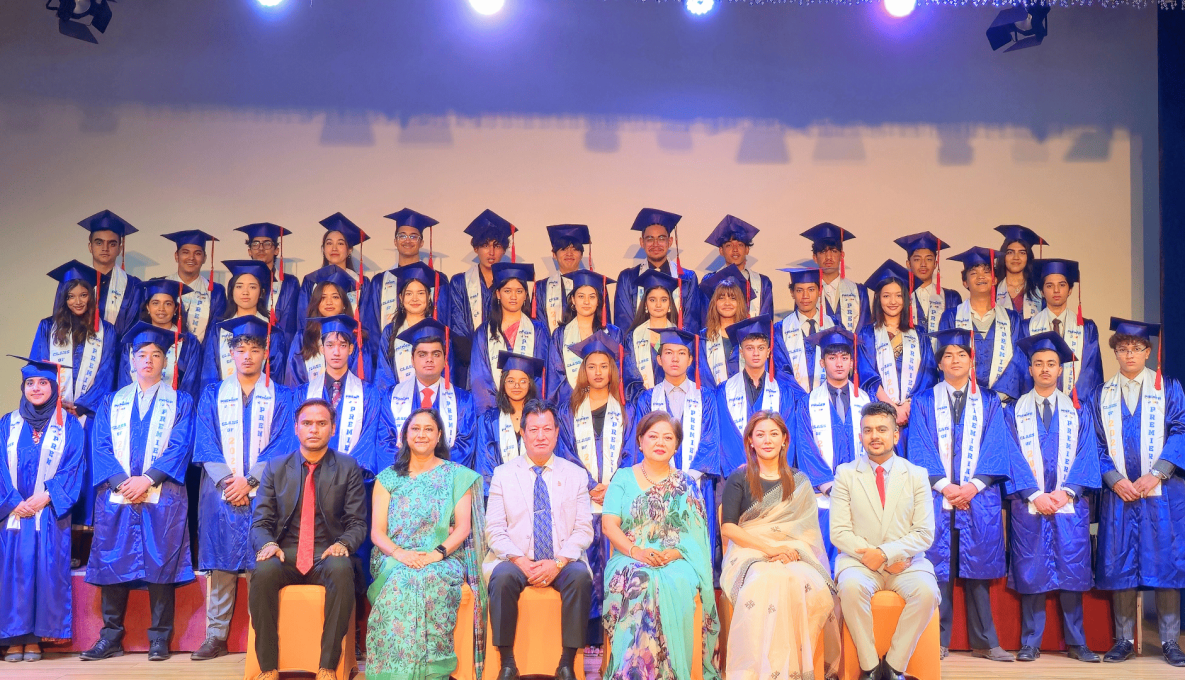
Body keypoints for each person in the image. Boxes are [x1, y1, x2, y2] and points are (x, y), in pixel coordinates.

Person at [906, 328, 1036, 661]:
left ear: (971, 360)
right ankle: (936, 640)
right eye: (947, 355)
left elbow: (997, 447)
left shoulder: (989, 401)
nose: (955, 360)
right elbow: (919, 446)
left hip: (979, 497)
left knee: (978, 571)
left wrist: (972, 486)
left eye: (961, 354)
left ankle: (987, 642)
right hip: (936, 496)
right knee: (939, 570)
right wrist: (945, 486)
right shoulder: (924, 401)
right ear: (939, 364)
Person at [82, 323, 195, 662]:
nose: (148, 360)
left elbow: (180, 445)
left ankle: (160, 638)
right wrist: (121, 481)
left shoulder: (181, 401)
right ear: (132, 359)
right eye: (142, 354)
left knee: (161, 561)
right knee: (113, 559)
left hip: (163, 493)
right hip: (117, 495)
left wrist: (147, 479)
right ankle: (110, 637)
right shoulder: (111, 401)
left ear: (166, 361)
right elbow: (100, 445)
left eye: (156, 355)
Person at [191, 316, 294, 661]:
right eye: (241, 349)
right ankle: (215, 636)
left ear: (265, 353)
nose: (247, 355)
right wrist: (228, 480)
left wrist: (249, 480)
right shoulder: (212, 394)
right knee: (220, 564)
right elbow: (205, 440)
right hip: (219, 492)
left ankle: (260, 635)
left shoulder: (282, 396)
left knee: (260, 562)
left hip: (264, 491)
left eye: (254, 349)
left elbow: (284, 443)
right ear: (231, 353)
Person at [248, 398, 368, 680]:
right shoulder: (276, 467)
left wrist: (343, 544)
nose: (314, 429)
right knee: (263, 571)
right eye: (307, 423)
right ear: (296, 428)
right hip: (285, 552)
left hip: (327, 552)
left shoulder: (347, 466)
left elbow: (357, 522)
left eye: (321, 423)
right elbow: (261, 521)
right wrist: (268, 544)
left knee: (341, 569)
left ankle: (327, 666)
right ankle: (268, 667)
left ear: (333, 428)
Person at [1091, 318, 1185, 667]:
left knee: (1166, 564)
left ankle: (1170, 641)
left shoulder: (1169, 388)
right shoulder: (1101, 394)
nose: (1129, 354)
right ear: (1115, 353)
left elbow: (1181, 429)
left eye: (1136, 348)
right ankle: (1124, 640)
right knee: (1121, 563)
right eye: (1122, 348)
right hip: (1120, 493)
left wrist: (1158, 473)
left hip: (1162, 492)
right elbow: (1094, 443)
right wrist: (1115, 479)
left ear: (1148, 352)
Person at [366, 408, 486, 680]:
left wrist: (435, 554)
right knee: (404, 578)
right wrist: (401, 554)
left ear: (439, 435)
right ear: (405, 435)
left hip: (443, 558)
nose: (422, 434)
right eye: (415, 429)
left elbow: (463, 528)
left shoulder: (457, 475)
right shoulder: (387, 478)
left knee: (424, 577)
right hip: (393, 557)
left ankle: (430, 672)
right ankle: (394, 672)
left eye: (429, 429)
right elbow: (377, 533)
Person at [1004, 332, 1102, 663]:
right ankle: (1030, 641)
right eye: (1038, 363)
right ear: (1030, 369)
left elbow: (1088, 453)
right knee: (1031, 570)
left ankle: (1077, 642)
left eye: (1051, 363)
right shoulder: (1013, 411)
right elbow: (1010, 455)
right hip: (1028, 504)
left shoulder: (1079, 410)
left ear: (1061, 370)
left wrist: (1067, 491)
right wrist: (1034, 494)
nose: (1045, 369)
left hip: (1069, 503)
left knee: (1073, 570)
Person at [601, 410, 720, 680]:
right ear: (640, 441)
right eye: (653, 436)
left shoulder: (686, 484)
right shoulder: (623, 477)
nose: (660, 442)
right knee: (642, 579)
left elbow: (696, 537)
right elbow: (609, 525)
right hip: (629, 556)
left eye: (668, 438)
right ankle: (632, 672)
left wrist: (672, 553)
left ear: (676, 445)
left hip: (676, 559)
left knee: (670, 580)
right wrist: (638, 552)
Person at [720, 411, 840, 679]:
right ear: (750, 441)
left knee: (803, 582)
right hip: (748, 551)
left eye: (774, 434)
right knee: (766, 579)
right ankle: (759, 671)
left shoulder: (799, 481)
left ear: (785, 439)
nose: (767, 440)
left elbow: (807, 532)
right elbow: (729, 528)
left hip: (792, 552)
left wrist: (791, 551)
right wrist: (770, 549)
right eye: (760, 434)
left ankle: (793, 670)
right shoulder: (738, 478)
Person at [483, 400, 594, 680]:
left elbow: (584, 529)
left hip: (562, 559)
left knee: (580, 577)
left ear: (557, 433)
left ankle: (566, 663)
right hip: (516, 558)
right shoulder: (503, 474)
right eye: (533, 429)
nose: (540, 436)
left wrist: (558, 562)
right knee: (502, 578)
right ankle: (507, 663)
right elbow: (494, 529)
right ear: (523, 433)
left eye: (547, 429)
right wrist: (520, 560)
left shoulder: (576, 475)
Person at [832, 401, 940, 680]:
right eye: (868, 430)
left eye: (882, 429)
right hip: (860, 562)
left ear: (895, 434)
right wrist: (878, 559)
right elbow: (839, 532)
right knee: (851, 588)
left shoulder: (916, 475)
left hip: (906, 564)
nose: (874, 436)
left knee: (927, 592)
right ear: (860, 436)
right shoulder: (845, 474)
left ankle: (893, 667)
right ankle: (869, 667)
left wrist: (885, 554)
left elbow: (924, 533)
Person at [0, 357, 86, 662]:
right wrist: (12, 501)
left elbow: (74, 466)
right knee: (15, 571)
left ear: (54, 387)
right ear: (23, 388)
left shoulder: (69, 425)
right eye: (30, 383)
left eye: (43, 383)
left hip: (49, 513)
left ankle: (36, 639)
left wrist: (47, 496)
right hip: (13, 514)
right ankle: (14, 638)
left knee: (45, 572)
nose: (36, 388)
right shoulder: (7, 423)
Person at [625, 328, 725, 578]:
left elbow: (711, 440)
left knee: (694, 545)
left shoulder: (706, 397)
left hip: (696, 483)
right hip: (655, 485)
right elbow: (641, 442)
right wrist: (662, 478)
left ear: (691, 360)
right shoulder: (647, 399)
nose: (675, 358)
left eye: (682, 353)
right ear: (659, 359)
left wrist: (686, 479)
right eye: (668, 353)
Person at [556, 332, 632, 647]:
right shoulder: (568, 410)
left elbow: (631, 451)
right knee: (585, 558)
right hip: (581, 499)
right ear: (583, 371)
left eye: (604, 366)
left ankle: (614, 632)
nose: (598, 372)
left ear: (612, 370)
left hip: (616, 499)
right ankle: (585, 634)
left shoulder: (626, 409)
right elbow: (564, 451)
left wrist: (613, 485)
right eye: (592, 366)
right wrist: (589, 485)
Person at [31, 261, 119, 527]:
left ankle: (84, 534)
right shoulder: (47, 327)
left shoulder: (106, 330)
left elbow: (107, 373)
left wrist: (81, 406)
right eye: (71, 296)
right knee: (55, 467)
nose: (77, 301)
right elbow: (38, 368)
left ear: (91, 296)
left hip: (89, 416)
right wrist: (54, 403)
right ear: (63, 298)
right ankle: (54, 527)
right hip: (53, 415)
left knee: (87, 469)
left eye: (83, 295)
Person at [794, 327, 872, 567]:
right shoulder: (807, 403)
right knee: (824, 562)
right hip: (823, 497)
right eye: (832, 357)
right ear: (822, 362)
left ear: (852, 362)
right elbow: (805, 447)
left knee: (859, 560)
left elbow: (875, 446)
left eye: (844, 357)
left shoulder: (866, 401)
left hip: (861, 493)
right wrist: (829, 487)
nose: (839, 363)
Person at [378, 319, 477, 471]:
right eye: (422, 354)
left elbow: (464, 446)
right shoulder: (391, 397)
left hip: (445, 479)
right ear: (412, 360)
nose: (429, 359)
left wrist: (434, 473)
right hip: (403, 478)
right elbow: (385, 443)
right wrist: (410, 472)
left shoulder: (463, 400)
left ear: (445, 359)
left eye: (436, 354)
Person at [857, 260, 938, 439]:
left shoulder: (920, 334)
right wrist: (892, 408)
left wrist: (907, 406)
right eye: (886, 296)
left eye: (898, 295)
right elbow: (867, 375)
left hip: (914, 413)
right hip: (880, 413)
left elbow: (928, 375)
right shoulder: (868, 334)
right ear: (878, 299)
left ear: (906, 299)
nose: (893, 301)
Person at [717, 316, 805, 481]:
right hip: (736, 475)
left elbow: (787, 434)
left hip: (774, 475)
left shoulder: (784, 392)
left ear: (769, 351)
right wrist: (741, 470)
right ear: (741, 352)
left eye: (761, 348)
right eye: (749, 348)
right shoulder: (724, 391)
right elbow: (725, 435)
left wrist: (771, 468)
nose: (756, 353)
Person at [295, 315, 381, 476]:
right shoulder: (303, 393)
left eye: (342, 345)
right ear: (322, 349)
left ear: (351, 349)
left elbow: (368, 440)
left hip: (353, 478)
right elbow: (296, 437)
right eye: (330, 345)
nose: (336, 352)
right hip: (311, 476)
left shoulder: (368, 393)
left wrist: (345, 473)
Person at [940, 246, 1026, 399]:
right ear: (965, 282)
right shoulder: (950, 317)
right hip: (961, 401)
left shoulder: (1012, 318)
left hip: (1002, 402)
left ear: (995, 279)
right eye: (974, 273)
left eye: (986, 272)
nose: (981, 277)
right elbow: (943, 359)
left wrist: (996, 397)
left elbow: (1019, 359)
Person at [468, 263, 550, 413]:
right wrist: (493, 414)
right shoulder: (483, 332)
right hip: (493, 413)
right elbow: (480, 378)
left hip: (530, 412)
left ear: (525, 295)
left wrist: (530, 410)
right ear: (498, 294)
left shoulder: (539, 330)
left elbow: (542, 375)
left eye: (519, 291)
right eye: (507, 291)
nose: (513, 297)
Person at [365, 208, 452, 343]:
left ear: (421, 243)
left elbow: (444, 320)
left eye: (413, 236)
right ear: (395, 241)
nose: (407, 240)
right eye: (402, 236)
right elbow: (373, 328)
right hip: (389, 351)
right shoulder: (380, 282)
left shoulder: (437, 280)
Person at [450, 209, 514, 390]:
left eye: (497, 246)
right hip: (469, 369)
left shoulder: (513, 285)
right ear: (476, 248)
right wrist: (481, 359)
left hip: (506, 367)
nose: (491, 252)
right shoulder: (460, 282)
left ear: (504, 249)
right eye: (485, 245)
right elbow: (458, 327)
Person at [1022, 259, 1103, 398]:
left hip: (1076, 404)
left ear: (1070, 290)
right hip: (1038, 403)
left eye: (1062, 285)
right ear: (1041, 291)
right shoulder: (1027, 327)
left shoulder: (1087, 328)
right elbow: (1023, 369)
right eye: (1049, 286)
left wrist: (1075, 404)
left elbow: (1091, 371)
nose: (1056, 290)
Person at [613, 208, 701, 333]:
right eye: (649, 239)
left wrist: (674, 343)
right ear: (642, 242)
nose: (655, 244)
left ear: (670, 241)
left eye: (661, 238)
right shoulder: (627, 278)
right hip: (638, 344)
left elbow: (691, 322)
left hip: (676, 343)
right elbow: (624, 323)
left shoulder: (687, 278)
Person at [202, 260, 287, 387]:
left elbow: (275, 371)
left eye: (252, 287)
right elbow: (210, 370)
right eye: (239, 286)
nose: (245, 292)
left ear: (261, 292)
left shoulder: (271, 328)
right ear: (232, 291)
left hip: (262, 395)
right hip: (223, 395)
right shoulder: (219, 327)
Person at [284, 268, 374, 387]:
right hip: (309, 397)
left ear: (344, 303)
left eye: (335, 297)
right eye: (323, 298)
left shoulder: (356, 337)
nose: (329, 302)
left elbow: (362, 379)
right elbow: (293, 379)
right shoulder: (303, 337)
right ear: (316, 303)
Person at [544, 269, 622, 406]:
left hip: (605, 404)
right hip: (570, 405)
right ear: (573, 300)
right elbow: (555, 376)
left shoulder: (613, 333)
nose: (586, 302)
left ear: (598, 301)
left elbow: (617, 371)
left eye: (592, 297)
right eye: (581, 296)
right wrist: (576, 401)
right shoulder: (560, 335)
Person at [117, 278, 202, 401]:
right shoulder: (133, 339)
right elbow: (124, 380)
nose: (161, 309)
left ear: (175, 309)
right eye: (155, 303)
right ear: (148, 307)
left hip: (174, 406)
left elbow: (191, 382)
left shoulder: (188, 342)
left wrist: (178, 407)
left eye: (168, 304)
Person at [475, 353, 546, 494]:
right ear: (503, 383)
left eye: (523, 381)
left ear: (530, 384)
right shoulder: (489, 420)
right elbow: (485, 462)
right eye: (511, 381)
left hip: (537, 493)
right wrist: (501, 493)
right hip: (500, 494)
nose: (516, 386)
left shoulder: (542, 417)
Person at [375, 262, 447, 389]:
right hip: (397, 398)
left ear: (429, 296)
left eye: (420, 293)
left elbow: (446, 371)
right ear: (400, 298)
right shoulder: (390, 332)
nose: (415, 299)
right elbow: (384, 375)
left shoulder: (438, 330)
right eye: (409, 293)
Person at [296, 213, 371, 335]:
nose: (334, 248)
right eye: (329, 243)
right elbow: (303, 321)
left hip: (351, 342)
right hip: (317, 342)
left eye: (340, 243)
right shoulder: (311, 281)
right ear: (323, 249)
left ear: (349, 250)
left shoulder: (361, 283)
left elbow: (366, 321)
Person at [76, 210, 143, 337]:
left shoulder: (134, 286)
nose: (105, 248)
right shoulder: (73, 282)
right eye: (99, 242)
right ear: (90, 247)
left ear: (119, 249)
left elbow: (136, 330)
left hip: (118, 349)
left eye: (112, 244)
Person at [774, 266, 838, 393]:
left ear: (820, 291)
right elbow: (782, 372)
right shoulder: (780, 330)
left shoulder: (834, 325)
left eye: (811, 289)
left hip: (829, 397)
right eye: (799, 290)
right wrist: (802, 399)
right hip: (794, 399)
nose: (805, 296)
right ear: (792, 293)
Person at [234, 222, 300, 348]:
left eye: (267, 243)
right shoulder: (239, 283)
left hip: (279, 350)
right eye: (255, 244)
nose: (261, 248)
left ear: (276, 250)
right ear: (249, 251)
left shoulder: (289, 283)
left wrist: (277, 353)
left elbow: (290, 327)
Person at [622, 268, 682, 403]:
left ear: (670, 304)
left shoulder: (680, 336)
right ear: (645, 304)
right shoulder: (633, 337)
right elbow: (631, 376)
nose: (658, 305)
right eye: (652, 300)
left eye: (664, 300)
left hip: (674, 401)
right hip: (642, 403)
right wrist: (646, 400)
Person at [161, 229, 227, 346]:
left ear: (204, 258)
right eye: (185, 252)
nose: (191, 258)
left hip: (200, 354)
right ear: (176, 256)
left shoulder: (215, 292)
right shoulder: (160, 285)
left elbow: (214, 334)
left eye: (197, 253)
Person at [801, 222, 868, 332]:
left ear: (842, 255)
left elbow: (865, 332)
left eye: (834, 251)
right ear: (815, 257)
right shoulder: (805, 293)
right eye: (823, 251)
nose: (828, 257)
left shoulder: (858, 291)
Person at [703, 214, 774, 318]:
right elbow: (705, 317)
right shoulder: (711, 281)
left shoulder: (762, 282)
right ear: (721, 251)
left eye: (740, 245)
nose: (735, 249)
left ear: (747, 249)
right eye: (729, 245)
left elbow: (766, 320)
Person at [536, 224, 600, 333]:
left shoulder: (596, 284)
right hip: (552, 343)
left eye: (574, 249)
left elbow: (602, 321)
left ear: (581, 254)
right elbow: (540, 327)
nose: (569, 254)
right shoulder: (541, 287)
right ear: (554, 254)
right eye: (563, 249)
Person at [696, 264, 751, 390]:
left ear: (740, 302)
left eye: (733, 298)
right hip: (713, 397)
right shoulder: (703, 337)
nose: (727, 303)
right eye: (721, 298)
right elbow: (703, 374)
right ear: (714, 303)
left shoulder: (750, 335)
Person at [895, 231, 961, 334]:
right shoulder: (899, 297)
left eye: (929, 259)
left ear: (935, 263)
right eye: (917, 259)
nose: (923, 264)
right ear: (908, 264)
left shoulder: (951, 297)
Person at [993, 225, 1046, 319]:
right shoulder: (993, 290)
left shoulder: (1039, 291)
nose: (1016, 257)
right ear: (1003, 256)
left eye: (1022, 253)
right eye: (1010, 252)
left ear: (1028, 257)